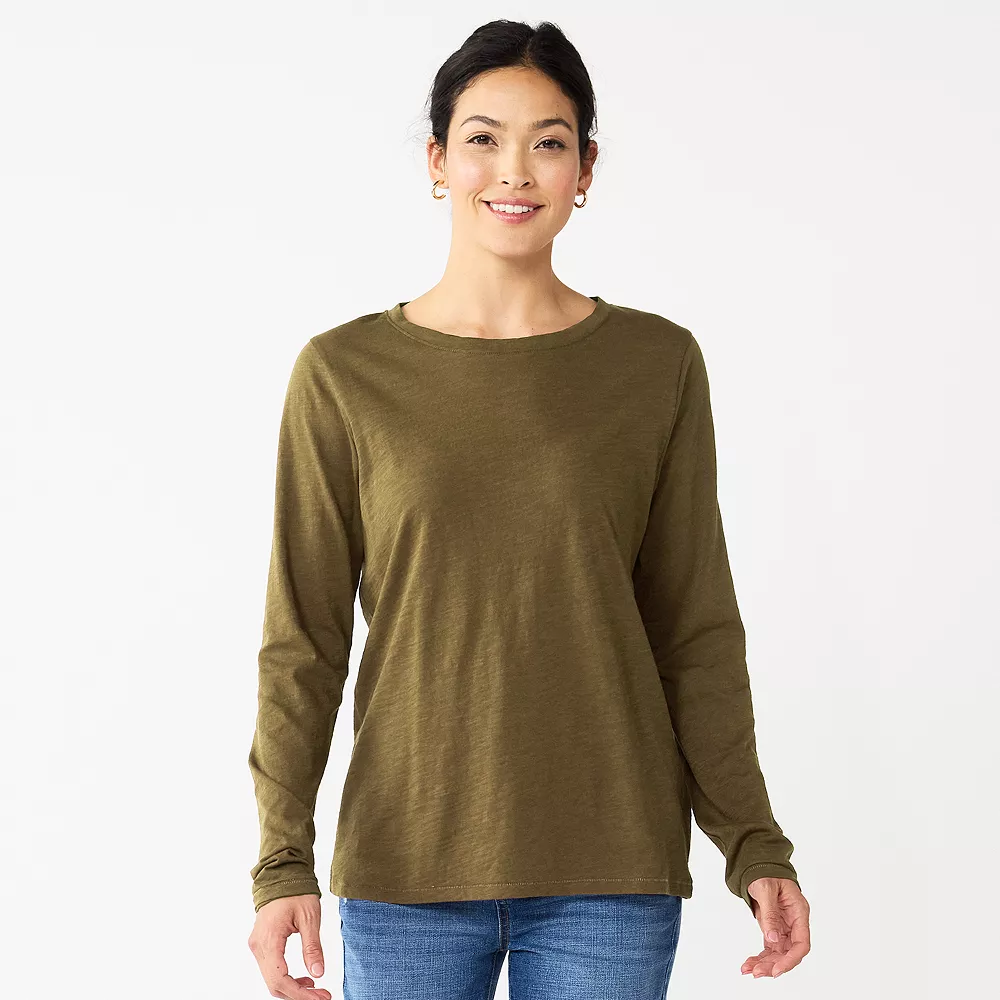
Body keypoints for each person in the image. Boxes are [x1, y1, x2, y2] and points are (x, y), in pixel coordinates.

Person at [246, 18, 811, 1000]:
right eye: (482, 138)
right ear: (437, 160)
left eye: (547, 142)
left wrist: (752, 840)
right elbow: (302, 639)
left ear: (584, 169)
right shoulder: (343, 375)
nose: (513, 169)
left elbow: (695, 629)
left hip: (611, 866)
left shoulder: (654, 365)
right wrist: (280, 858)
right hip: (405, 861)